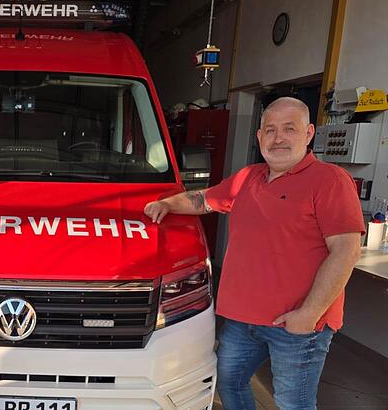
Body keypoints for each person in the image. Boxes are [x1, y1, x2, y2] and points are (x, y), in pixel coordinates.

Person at [144, 97, 363, 410]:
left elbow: (346, 250)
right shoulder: (249, 178)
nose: (278, 138)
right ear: (259, 137)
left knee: (293, 404)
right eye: (270, 130)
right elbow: (203, 200)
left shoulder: (329, 180)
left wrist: (309, 314)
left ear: (309, 133)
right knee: (230, 384)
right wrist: (167, 204)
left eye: (290, 128)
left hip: (297, 324)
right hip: (243, 321)